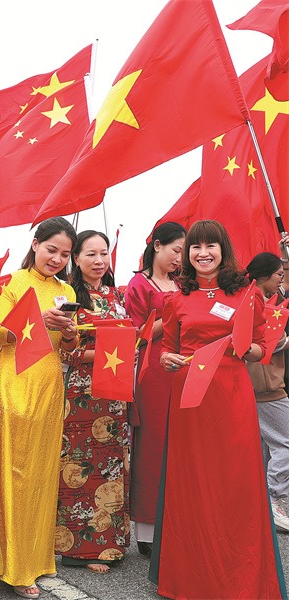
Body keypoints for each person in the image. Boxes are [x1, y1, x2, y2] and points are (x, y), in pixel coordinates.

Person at [153, 220, 285, 599]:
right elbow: (167, 349)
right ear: (187, 255)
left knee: (236, 483)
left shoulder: (246, 294)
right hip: (190, 397)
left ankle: (239, 580)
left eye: (211, 245)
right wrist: (168, 360)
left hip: (231, 394)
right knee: (192, 483)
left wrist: (245, 348)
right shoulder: (176, 299)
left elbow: (261, 347)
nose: (203, 252)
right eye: (195, 247)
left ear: (223, 250)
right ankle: (190, 579)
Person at [0, 216, 78, 599]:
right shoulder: (12, 283)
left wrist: (72, 335)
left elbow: (65, 347)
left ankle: (38, 558)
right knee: (16, 470)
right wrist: (36, 319)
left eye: (64, 254)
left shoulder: (65, 288)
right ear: (35, 244)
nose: (57, 259)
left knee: (44, 472)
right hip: (14, 381)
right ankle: (13, 567)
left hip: (49, 384)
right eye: (51, 250)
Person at [57, 230, 132, 573]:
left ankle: (111, 543)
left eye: (104, 254)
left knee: (112, 465)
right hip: (83, 395)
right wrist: (107, 352)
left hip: (113, 395)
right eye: (90, 254)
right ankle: (79, 548)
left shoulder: (116, 295)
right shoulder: (69, 296)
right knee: (79, 468)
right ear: (76, 258)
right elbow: (66, 350)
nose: (99, 261)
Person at [123, 221, 184, 556]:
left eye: (183, 253)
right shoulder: (138, 284)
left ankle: (174, 518)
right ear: (157, 246)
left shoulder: (181, 283)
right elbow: (136, 332)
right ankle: (146, 528)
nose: (180, 258)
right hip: (152, 369)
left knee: (178, 444)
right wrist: (173, 317)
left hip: (180, 367)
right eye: (176, 250)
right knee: (152, 445)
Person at [245, 252, 289, 532]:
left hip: (262, 384)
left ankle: (264, 501)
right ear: (264, 275)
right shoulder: (254, 301)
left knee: (266, 446)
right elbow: (266, 342)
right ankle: (273, 497)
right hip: (266, 385)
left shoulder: (257, 298)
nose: (280, 280)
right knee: (285, 442)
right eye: (278, 275)